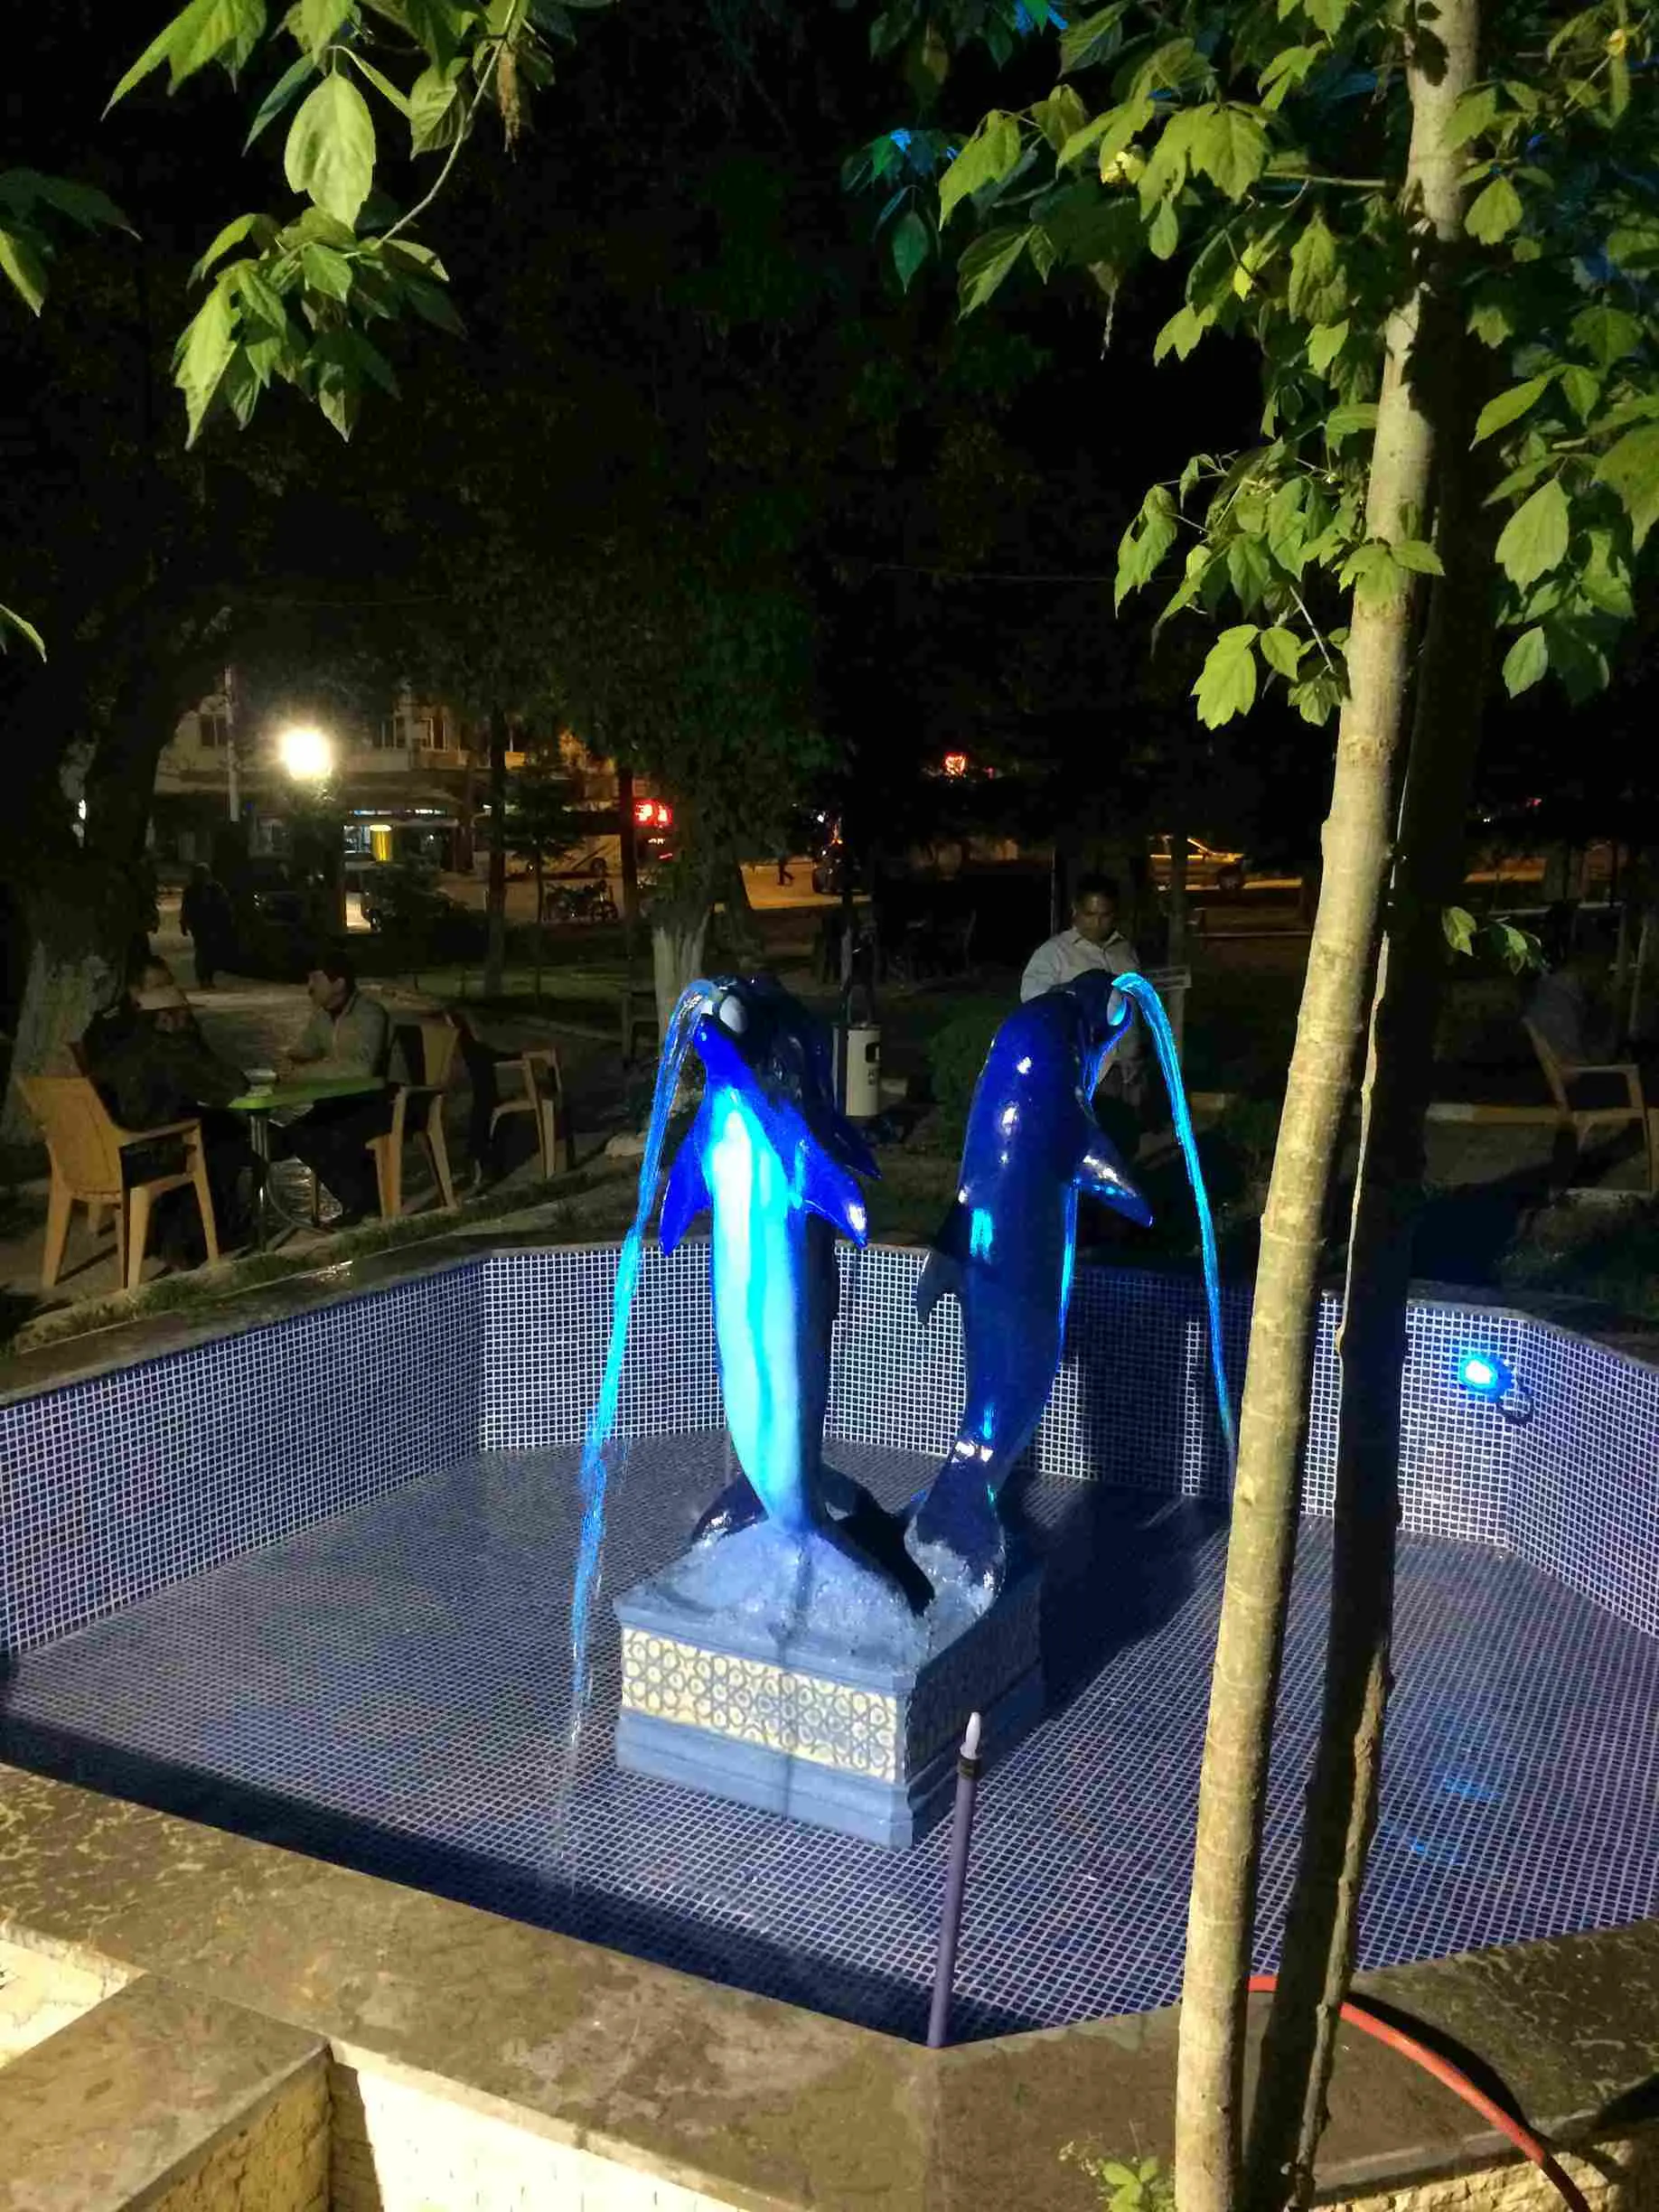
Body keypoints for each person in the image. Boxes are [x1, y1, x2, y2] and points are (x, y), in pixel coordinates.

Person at [80, 959, 256, 1255]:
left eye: (170, 984)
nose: (169, 993)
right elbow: (224, 1082)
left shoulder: (143, 1029)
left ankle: (196, 1227)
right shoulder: (142, 1034)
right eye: (159, 987)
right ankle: (196, 1235)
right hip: (144, 1142)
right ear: (136, 992)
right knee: (223, 1139)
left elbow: (203, 1068)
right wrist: (181, 1035)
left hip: (115, 1139)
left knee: (223, 1125)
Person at [278, 950, 394, 1226]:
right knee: (298, 1135)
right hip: (339, 1102)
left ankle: (364, 1205)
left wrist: (303, 1072)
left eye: (315, 980)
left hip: (380, 1102)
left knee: (332, 1136)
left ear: (339, 983)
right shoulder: (322, 1016)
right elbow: (303, 1051)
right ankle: (358, 1203)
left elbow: (361, 1069)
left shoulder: (370, 1015)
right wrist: (291, 1061)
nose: (309, 988)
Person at [180, 861, 236, 988]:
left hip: (212, 923)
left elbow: (225, 905)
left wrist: (227, 920)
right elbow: (186, 908)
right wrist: (184, 923)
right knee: (202, 950)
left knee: (210, 951)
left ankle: (208, 977)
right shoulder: (192, 890)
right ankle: (203, 977)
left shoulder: (215, 888)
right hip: (199, 924)